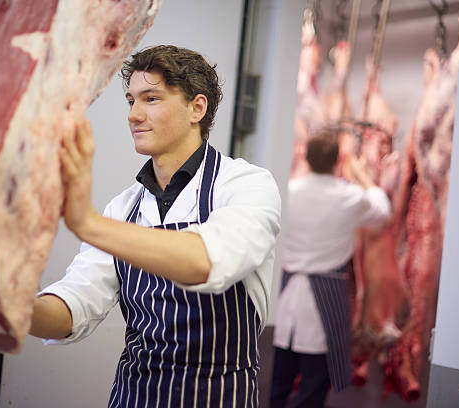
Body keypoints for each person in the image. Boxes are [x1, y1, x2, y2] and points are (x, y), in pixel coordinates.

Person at [29, 45, 281, 407]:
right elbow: (76, 302)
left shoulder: (246, 185)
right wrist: (18, 309)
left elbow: (204, 260)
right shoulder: (123, 209)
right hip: (134, 397)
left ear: (197, 108)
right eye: (131, 100)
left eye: (151, 98)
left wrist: (86, 222)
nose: (134, 114)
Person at [270, 128, 391, 408]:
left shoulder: (288, 191)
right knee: (312, 389)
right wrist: (362, 175)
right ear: (339, 160)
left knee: (277, 384)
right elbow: (383, 212)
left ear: (305, 157)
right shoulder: (348, 196)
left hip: (284, 298)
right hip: (324, 305)